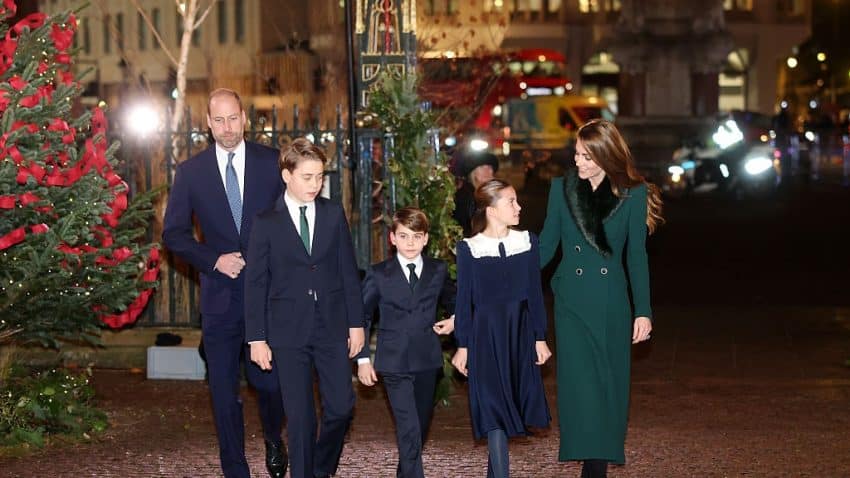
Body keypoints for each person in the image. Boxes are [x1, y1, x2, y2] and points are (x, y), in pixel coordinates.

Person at [162, 88, 287, 478]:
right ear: (208, 123)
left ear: (245, 118)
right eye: (219, 120)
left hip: (266, 297)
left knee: (270, 385)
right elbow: (173, 234)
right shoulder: (191, 172)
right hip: (219, 299)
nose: (228, 127)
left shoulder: (272, 163)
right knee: (222, 391)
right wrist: (213, 260)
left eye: (234, 118)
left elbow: (292, 221)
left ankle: (273, 435)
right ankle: (235, 468)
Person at [538, 119, 662, 478]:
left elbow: (636, 256)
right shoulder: (561, 189)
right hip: (571, 303)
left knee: (609, 385)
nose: (578, 161)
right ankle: (588, 460)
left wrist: (643, 311)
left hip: (611, 303)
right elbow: (546, 246)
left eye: (586, 156)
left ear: (606, 157)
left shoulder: (634, 194)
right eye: (576, 154)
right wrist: (505, 269)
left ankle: (596, 466)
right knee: (579, 387)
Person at [244, 138, 365, 478]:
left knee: (341, 407)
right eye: (307, 177)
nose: (315, 184)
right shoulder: (266, 221)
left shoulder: (332, 214)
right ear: (287, 175)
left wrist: (356, 323)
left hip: (332, 325)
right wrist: (257, 338)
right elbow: (255, 283)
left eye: (320, 177)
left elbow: (348, 271)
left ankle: (320, 469)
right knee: (300, 419)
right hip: (287, 331)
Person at [451, 179, 552, 478]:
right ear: (491, 210)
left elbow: (535, 294)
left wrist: (540, 337)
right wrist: (463, 345)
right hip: (484, 336)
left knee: (511, 405)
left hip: (519, 334)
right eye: (511, 202)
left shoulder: (527, 242)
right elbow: (464, 300)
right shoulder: (469, 248)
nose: (519, 207)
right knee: (493, 408)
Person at [355, 206, 457, 478]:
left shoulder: (437, 270)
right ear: (392, 239)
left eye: (416, 237)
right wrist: (363, 359)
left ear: (425, 239)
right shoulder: (379, 274)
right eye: (403, 236)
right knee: (408, 427)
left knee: (420, 426)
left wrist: (455, 319)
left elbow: (455, 299)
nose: (410, 243)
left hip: (426, 359)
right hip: (393, 361)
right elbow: (362, 316)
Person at [452, 151, 499, 236]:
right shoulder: (465, 196)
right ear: (473, 173)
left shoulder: (495, 194)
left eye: (489, 167)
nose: (486, 171)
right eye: (481, 167)